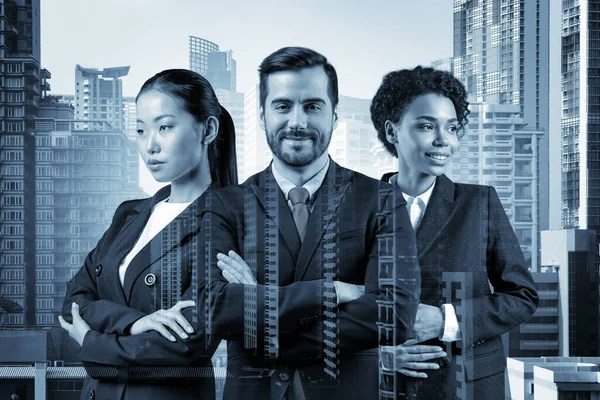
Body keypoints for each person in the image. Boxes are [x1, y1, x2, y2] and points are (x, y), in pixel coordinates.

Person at [199, 46, 421, 400]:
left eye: (313, 106)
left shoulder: (381, 200)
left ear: (334, 116)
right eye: (283, 106)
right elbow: (215, 310)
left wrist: (263, 316)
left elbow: (395, 313)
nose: (297, 121)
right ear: (262, 116)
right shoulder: (225, 204)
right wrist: (332, 291)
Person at [58, 69, 237, 400]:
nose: (149, 146)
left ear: (208, 130)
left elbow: (183, 348)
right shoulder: (129, 214)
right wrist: (134, 323)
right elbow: (73, 301)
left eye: (164, 127)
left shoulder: (229, 222)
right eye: (140, 130)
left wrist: (90, 341)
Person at [370, 66, 539, 399]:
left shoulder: (479, 203)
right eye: (426, 126)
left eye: (451, 127)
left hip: (466, 386)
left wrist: (447, 321)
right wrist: (375, 357)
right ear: (392, 132)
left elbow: (522, 296)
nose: (443, 140)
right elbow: (326, 309)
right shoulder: (353, 210)